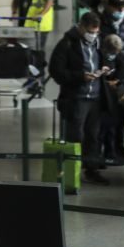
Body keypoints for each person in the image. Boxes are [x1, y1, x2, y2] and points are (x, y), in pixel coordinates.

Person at [47, 12, 109, 185]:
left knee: (93, 135)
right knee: (75, 135)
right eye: (90, 31)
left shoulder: (98, 42)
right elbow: (56, 71)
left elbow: (105, 59)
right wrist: (80, 77)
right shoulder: (67, 44)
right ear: (81, 27)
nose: (93, 35)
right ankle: (70, 171)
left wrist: (105, 69)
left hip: (95, 97)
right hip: (76, 98)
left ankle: (92, 169)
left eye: (96, 32)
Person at [98, 34, 124, 160]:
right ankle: (100, 155)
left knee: (115, 125)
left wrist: (118, 81)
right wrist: (106, 82)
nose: (116, 53)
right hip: (103, 96)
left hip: (115, 95)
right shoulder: (99, 56)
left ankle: (112, 151)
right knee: (103, 128)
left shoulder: (119, 56)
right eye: (114, 51)